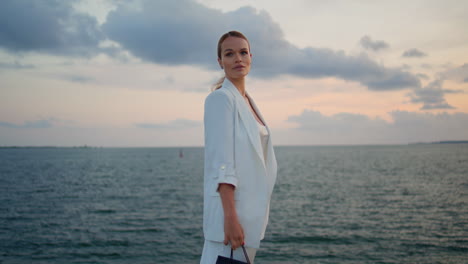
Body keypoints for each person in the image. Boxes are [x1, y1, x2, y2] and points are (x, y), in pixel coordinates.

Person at [200, 31, 278, 264]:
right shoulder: (220, 99)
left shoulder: (248, 102)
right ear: (220, 62)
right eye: (229, 54)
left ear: (251, 57)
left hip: (249, 220)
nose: (238, 59)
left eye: (243, 52)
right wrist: (230, 218)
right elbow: (222, 163)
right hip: (231, 223)